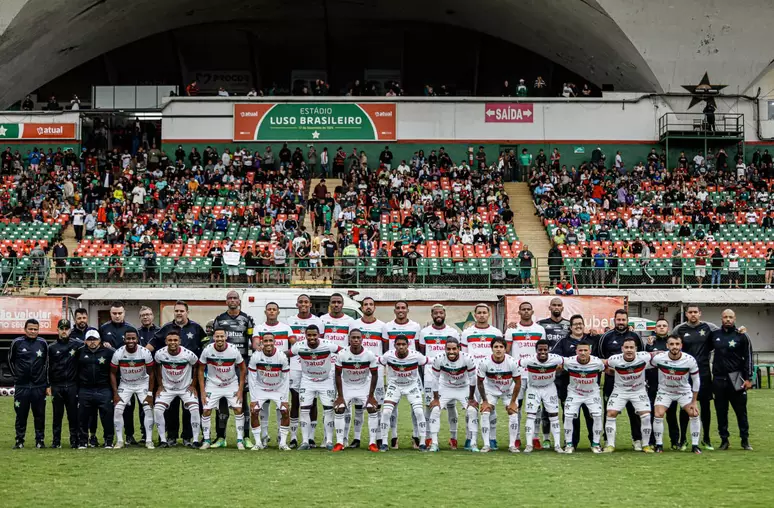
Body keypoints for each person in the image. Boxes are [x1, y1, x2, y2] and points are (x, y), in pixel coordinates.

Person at [149, 300, 206, 447]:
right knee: (171, 410)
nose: (179, 313)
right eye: (176, 311)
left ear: (187, 312)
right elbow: (152, 344)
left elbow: (205, 346)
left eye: (182, 311)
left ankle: (188, 437)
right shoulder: (166, 328)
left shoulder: (196, 327)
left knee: (190, 409)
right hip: (169, 377)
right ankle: (171, 437)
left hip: (188, 376)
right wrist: (138, 353)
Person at [211, 290, 255, 447]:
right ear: (226, 301)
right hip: (223, 366)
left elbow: (252, 341)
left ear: (239, 301)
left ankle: (245, 437)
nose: (232, 300)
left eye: (235, 298)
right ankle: (221, 437)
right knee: (221, 399)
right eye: (229, 298)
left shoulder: (247, 319)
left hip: (241, 364)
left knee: (242, 400)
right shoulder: (219, 320)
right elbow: (214, 342)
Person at [288, 325, 342, 450]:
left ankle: (328, 441)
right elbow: (287, 353)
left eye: (314, 335)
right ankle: (305, 441)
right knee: (304, 410)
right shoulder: (299, 346)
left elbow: (344, 351)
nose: (312, 338)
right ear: (305, 335)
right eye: (309, 335)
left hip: (326, 380)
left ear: (319, 335)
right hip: (307, 380)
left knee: (328, 410)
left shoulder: (328, 344)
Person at [597, 309, 644, 450]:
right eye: (619, 320)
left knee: (634, 410)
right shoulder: (606, 336)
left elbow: (641, 356)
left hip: (632, 381)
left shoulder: (636, 336)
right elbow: (601, 360)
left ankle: (637, 439)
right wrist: (610, 370)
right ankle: (608, 440)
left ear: (627, 320)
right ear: (614, 320)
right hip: (612, 381)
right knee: (609, 410)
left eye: (624, 320)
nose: (621, 322)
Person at [673, 305, 718, 450]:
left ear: (700, 313)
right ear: (686, 314)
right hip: (684, 373)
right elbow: (671, 343)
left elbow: (724, 334)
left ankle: (706, 438)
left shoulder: (709, 327)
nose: (693, 314)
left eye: (695, 312)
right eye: (690, 312)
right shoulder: (680, 329)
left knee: (705, 406)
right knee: (685, 405)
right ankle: (683, 439)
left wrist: (739, 331)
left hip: (704, 372)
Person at [551, 314, 599, 450]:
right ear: (570, 327)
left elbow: (601, 361)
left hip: (590, 387)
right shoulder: (563, 342)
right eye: (575, 324)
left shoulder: (592, 339)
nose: (578, 326)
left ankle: (594, 443)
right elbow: (556, 360)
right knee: (571, 416)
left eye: (580, 324)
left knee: (592, 415)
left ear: (584, 325)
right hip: (569, 386)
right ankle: (571, 443)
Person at [418, 304, 462, 448]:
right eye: (435, 313)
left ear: (445, 314)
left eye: (441, 313)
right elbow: (422, 353)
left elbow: (457, 353)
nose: (438, 315)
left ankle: (453, 437)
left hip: (449, 372)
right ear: (431, 315)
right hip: (430, 372)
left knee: (451, 405)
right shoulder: (424, 332)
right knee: (429, 406)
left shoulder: (453, 332)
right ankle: (429, 437)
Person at [651, 335, 702, 454]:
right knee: (658, 414)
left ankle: (695, 445)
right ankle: (659, 445)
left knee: (694, 413)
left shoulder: (689, 360)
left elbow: (696, 380)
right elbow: (646, 366)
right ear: (667, 346)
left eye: (677, 344)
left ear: (681, 345)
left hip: (683, 392)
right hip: (665, 391)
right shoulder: (659, 358)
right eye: (672, 344)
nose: (675, 347)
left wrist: (694, 401)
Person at [710, 309, 753, 451]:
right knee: (721, 411)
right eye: (725, 317)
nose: (728, 319)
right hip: (718, 378)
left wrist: (748, 378)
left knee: (741, 411)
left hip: (736, 377)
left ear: (735, 318)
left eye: (730, 317)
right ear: (721, 318)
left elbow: (748, 357)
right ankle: (724, 440)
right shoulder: (715, 335)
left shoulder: (742, 336)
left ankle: (745, 440)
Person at [504, 301, 545, 449]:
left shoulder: (539, 329)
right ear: (519, 312)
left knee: (536, 406)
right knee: (517, 405)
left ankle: (535, 437)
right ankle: (517, 438)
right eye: (523, 309)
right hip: (518, 374)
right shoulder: (512, 330)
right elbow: (506, 351)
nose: (526, 311)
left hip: (535, 374)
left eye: (529, 309)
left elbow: (543, 351)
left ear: (532, 312)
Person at [198, 327, 247, 450]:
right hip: (213, 384)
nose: (219, 339)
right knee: (206, 410)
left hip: (231, 384)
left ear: (226, 337)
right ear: (213, 338)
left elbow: (242, 369)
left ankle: (240, 440)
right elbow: (200, 370)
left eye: (222, 336)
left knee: (238, 409)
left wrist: (240, 390)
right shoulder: (207, 350)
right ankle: (207, 440)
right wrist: (203, 392)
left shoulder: (233, 350)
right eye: (217, 336)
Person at [603, 337, 654, 453]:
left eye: (631, 347)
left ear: (636, 349)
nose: (629, 350)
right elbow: (603, 363)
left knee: (646, 416)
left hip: (638, 391)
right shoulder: (614, 359)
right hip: (620, 391)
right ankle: (610, 445)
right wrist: (611, 371)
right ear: (622, 349)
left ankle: (645, 445)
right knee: (610, 413)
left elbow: (657, 355)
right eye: (626, 347)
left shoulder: (644, 356)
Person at [285, 294, 324, 448]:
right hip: (295, 365)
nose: (303, 304)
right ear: (296, 304)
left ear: (310, 304)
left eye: (306, 302)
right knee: (295, 401)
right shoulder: (290, 321)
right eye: (300, 302)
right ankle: (294, 437)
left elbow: (321, 343)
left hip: (313, 365)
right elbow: (291, 343)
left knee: (312, 401)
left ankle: (311, 437)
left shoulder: (318, 321)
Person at [253, 302, 294, 446]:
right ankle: (263, 437)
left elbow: (294, 345)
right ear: (265, 312)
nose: (271, 312)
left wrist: (282, 355)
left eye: (274, 309)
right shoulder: (259, 328)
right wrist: (263, 350)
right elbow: (256, 344)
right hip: (264, 369)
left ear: (278, 312)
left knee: (281, 407)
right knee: (262, 407)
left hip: (280, 369)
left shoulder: (286, 328)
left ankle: (280, 436)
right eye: (269, 309)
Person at [378, 335, 428, 452]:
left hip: (411, 387)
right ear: (394, 345)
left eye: (403, 344)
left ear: (408, 345)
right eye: (398, 344)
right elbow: (377, 361)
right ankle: (385, 442)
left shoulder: (416, 356)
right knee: (386, 412)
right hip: (394, 386)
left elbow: (429, 361)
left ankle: (422, 441)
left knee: (419, 412)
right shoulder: (388, 355)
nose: (401, 347)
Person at [332, 329, 380, 452]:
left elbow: (374, 375)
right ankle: (339, 442)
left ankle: (372, 443)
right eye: (353, 338)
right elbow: (338, 375)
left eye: (358, 338)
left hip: (363, 386)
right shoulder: (342, 354)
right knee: (340, 408)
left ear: (362, 339)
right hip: (347, 385)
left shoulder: (369, 354)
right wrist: (340, 396)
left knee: (372, 408)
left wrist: (371, 396)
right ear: (349, 339)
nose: (356, 340)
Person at [153, 327, 201, 448]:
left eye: (175, 340)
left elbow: (197, 366)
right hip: (167, 389)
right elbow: (156, 367)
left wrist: (193, 385)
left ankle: (194, 440)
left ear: (179, 341)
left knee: (194, 409)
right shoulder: (160, 354)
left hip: (185, 388)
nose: (173, 342)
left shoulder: (188, 354)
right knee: (158, 410)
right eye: (170, 340)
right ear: (166, 342)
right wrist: (159, 385)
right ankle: (164, 440)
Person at [427, 338, 478, 452]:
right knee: (435, 410)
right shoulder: (439, 359)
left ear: (459, 348)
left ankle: (473, 443)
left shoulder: (467, 358)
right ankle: (434, 443)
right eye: (448, 349)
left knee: (472, 411)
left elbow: (472, 378)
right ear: (445, 349)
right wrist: (435, 399)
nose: (451, 352)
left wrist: (471, 398)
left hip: (463, 387)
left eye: (454, 349)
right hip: (446, 387)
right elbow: (435, 378)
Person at [109, 328, 155, 449]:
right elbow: (112, 373)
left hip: (142, 383)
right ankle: (119, 441)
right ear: (124, 339)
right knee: (118, 410)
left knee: (148, 409)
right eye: (128, 338)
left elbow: (151, 373)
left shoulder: (145, 352)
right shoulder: (118, 353)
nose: (131, 341)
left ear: (137, 339)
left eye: (133, 338)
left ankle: (149, 440)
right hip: (125, 384)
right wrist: (115, 393)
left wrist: (150, 393)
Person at [519, 339, 565, 453]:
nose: (543, 352)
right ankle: (529, 445)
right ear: (536, 350)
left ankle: (558, 445)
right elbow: (517, 363)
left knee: (554, 415)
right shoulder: (529, 360)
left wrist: (560, 368)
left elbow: (567, 361)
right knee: (531, 415)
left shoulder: (556, 358)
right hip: (533, 388)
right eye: (540, 350)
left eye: (545, 349)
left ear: (549, 350)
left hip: (549, 388)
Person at [476, 337, 521, 453]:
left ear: (505, 349)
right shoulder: (484, 362)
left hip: (508, 391)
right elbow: (480, 382)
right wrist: (485, 401)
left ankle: (512, 445)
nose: (498, 349)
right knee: (485, 412)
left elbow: (518, 383)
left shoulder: (512, 362)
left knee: (513, 413)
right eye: (496, 347)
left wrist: (512, 402)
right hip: (490, 391)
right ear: (491, 349)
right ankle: (486, 445)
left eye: (501, 347)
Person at [248, 332, 291, 450]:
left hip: (278, 388)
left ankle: (282, 443)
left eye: (270, 341)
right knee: (254, 411)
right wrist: (253, 399)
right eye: (265, 341)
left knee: (285, 411)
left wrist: (285, 399)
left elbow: (286, 379)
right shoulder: (256, 356)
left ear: (274, 342)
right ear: (261, 342)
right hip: (261, 388)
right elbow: (251, 378)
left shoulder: (281, 356)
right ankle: (258, 443)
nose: (268, 343)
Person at [9, 319, 48, 448]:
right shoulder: (17, 343)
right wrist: (17, 377)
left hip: (38, 386)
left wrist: (45, 382)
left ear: (38, 330)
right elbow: (10, 360)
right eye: (30, 329)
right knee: (21, 414)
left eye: (35, 329)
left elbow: (47, 364)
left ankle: (40, 440)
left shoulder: (43, 343)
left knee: (39, 414)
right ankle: (19, 440)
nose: (33, 331)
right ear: (25, 329)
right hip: (22, 387)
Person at [561, 339, 605, 454]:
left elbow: (605, 370)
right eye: (580, 350)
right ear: (576, 351)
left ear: (590, 351)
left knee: (597, 415)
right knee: (568, 416)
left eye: (585, 350)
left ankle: (595, 444)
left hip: (592, 393)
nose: (583, 353)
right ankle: (569, 444)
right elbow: (560, 368)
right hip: (574, 393)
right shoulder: (568, 362)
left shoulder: (597, 362)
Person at [77, 329, 116, 449]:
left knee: (107, 416)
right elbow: (75, 370)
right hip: (85, 389)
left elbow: (114, 370)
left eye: (95, 339)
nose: (92, 342)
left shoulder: (108, 352)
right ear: (85, 341)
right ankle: (83, 440)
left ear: (100, 340)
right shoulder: (79, 352)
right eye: (89, 339)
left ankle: (108, 441)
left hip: (104, 388)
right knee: (83, 416)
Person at [645, 319, 680, 449]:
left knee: (671, 414)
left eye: (664, 326)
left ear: (668, 329)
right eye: (659, 326)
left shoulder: (672, 343)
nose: (661, 328)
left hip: (670, 384)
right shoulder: (650, 343)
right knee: (655, 414)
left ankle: (675, 441)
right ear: (655, 328)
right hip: (653, 384)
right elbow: (646, 362)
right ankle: (654, 441)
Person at [48, 318, 83, 448]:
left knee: (73, 415)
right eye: (61, 328)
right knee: (57, 415)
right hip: (57, 386)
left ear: (70, 330)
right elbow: (48, 367)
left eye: (66, 329)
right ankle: (56, 441)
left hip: (72, 385)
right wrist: (48, 384)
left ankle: (75, 440)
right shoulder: (51, 347)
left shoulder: (78, 345)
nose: (64, 331)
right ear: (57, 330)